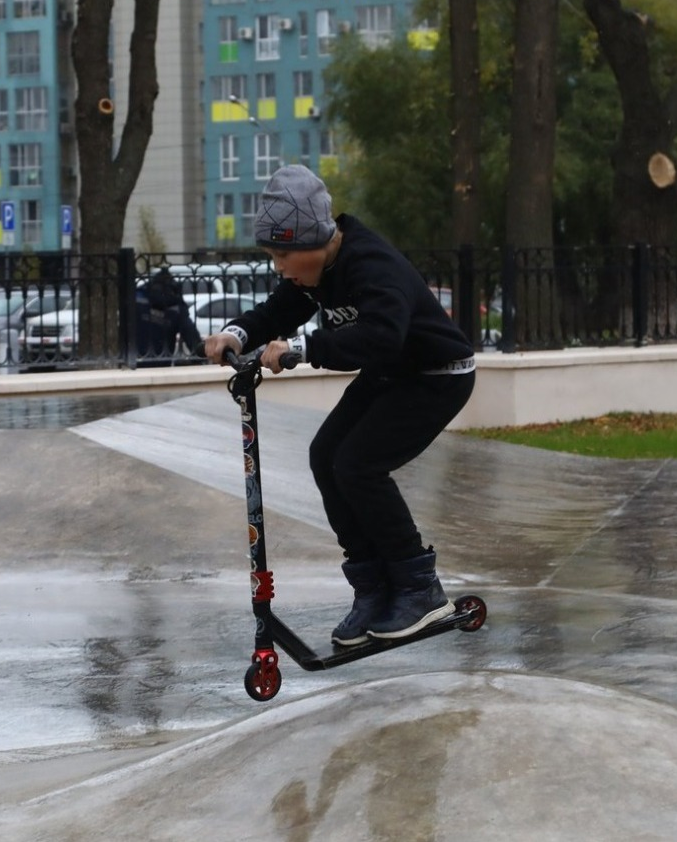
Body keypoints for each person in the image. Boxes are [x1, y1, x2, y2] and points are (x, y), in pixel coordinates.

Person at [203, 164, 476, 646]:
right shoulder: (318, 268)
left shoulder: (373, 266)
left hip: (436, 376)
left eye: (283, 254)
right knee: (324, 457)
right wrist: (236, 333)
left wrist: (304, 351)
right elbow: (281, 308)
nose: (279, 266)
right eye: (272, 255)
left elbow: (382, 338)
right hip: (392, 373)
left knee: (357, 465)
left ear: (313, 240)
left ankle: (419, 589)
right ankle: (372, 589)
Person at [140, 268, 202, 359]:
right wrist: (200, 355)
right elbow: (190, 333)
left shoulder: (138, 298)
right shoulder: (176, 306)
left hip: (135, 360)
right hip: (162, 361)